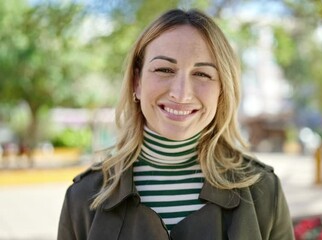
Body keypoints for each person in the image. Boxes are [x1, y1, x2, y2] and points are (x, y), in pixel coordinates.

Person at [57, 8, 295, 240]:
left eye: (202, 74)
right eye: (164, 69)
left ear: (222, 89)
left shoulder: (264, 191)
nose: (181, 94)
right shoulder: (83, 197)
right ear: (136, 82)